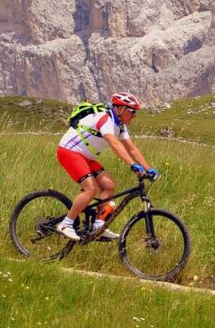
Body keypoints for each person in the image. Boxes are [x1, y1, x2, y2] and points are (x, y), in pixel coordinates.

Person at [55, 92, 159, 241]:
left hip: (86, 156)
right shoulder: (105, 119)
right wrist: (133, 165)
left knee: (109, 185)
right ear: (121, 109)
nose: (135, 115)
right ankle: (66, 224)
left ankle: (98, 226)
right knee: (91, 189)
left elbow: (132, 148)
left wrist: (148, 168)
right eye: (132, 111)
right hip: (69, 151)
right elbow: (115, 144)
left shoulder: (120, 126)